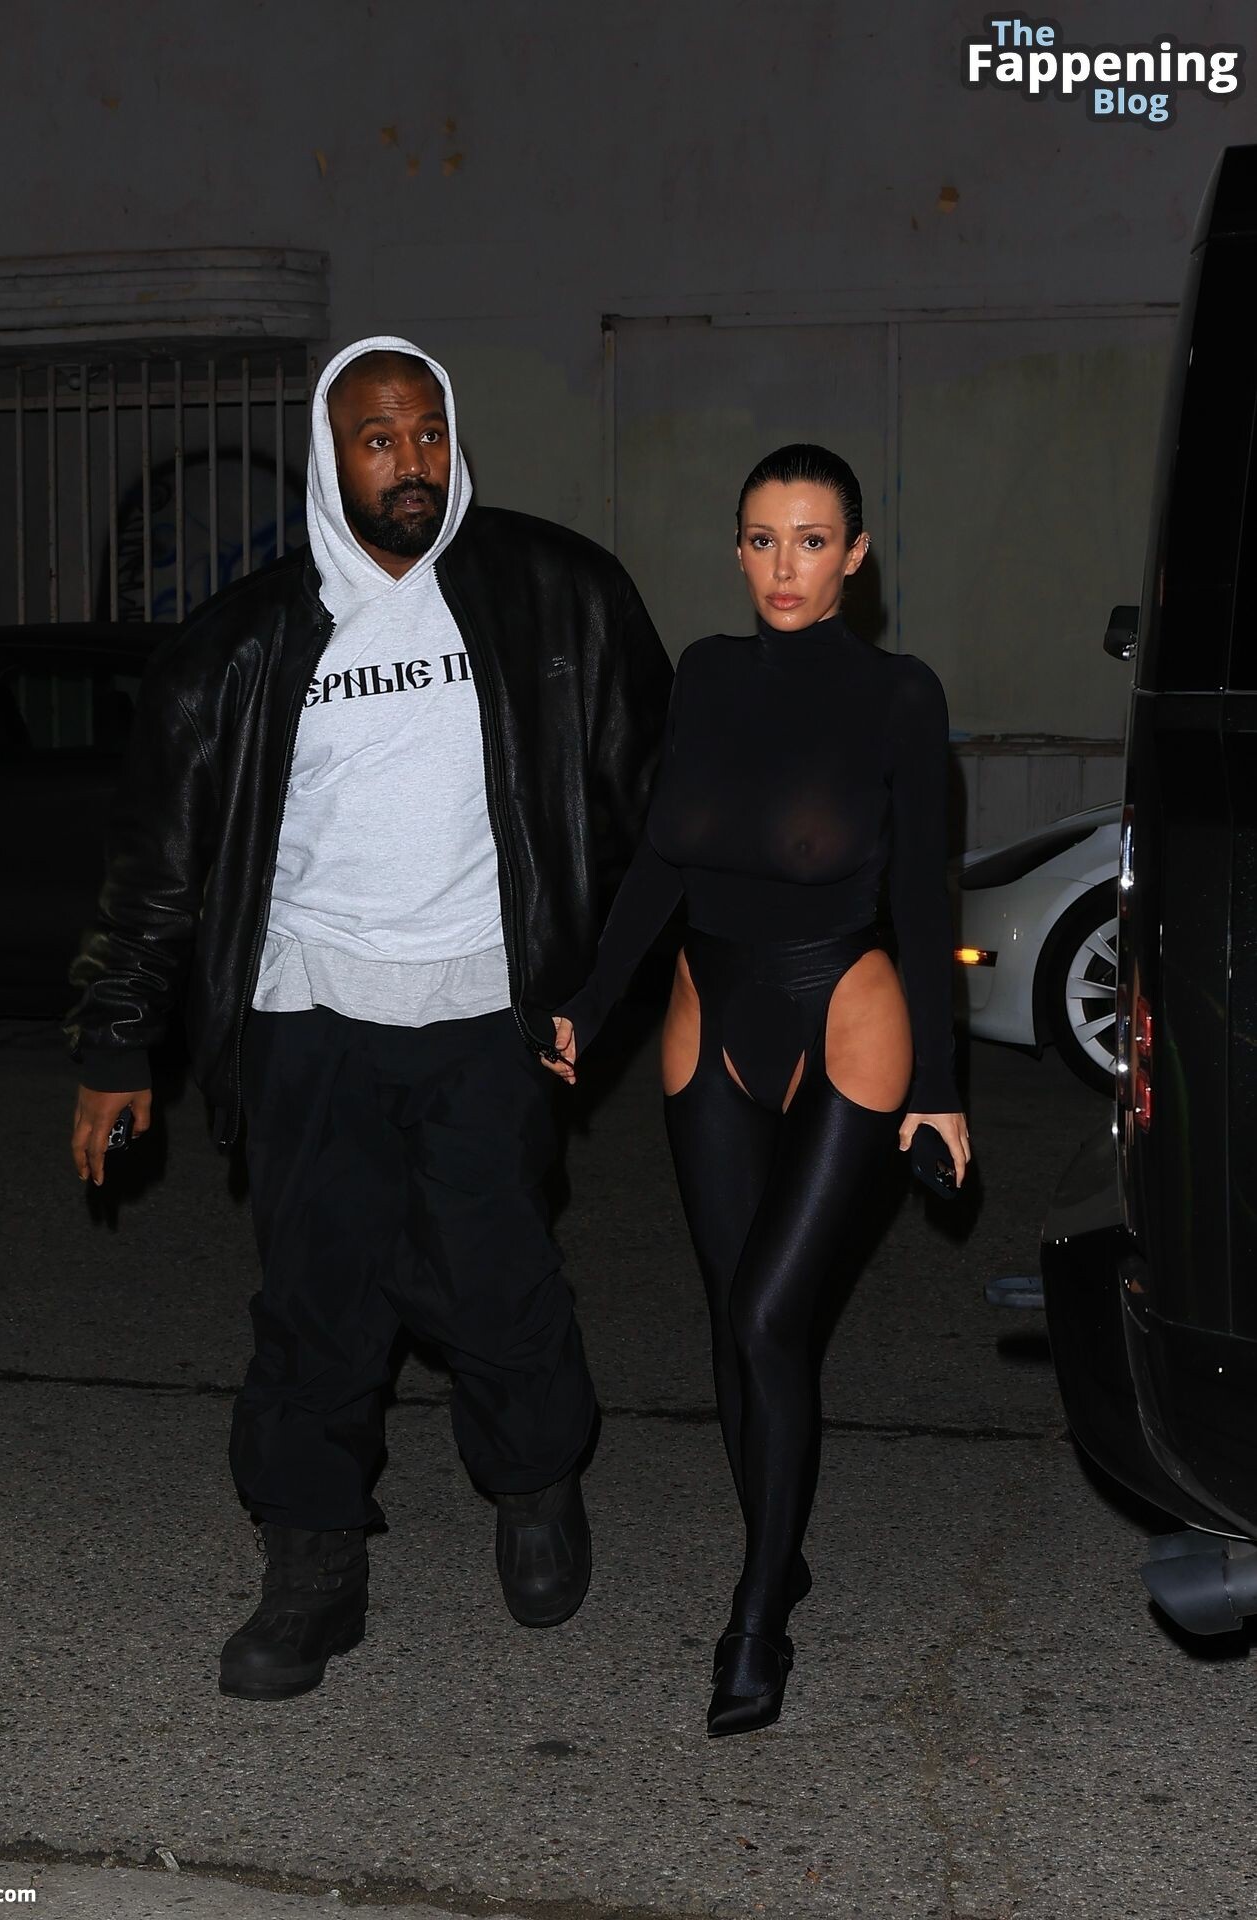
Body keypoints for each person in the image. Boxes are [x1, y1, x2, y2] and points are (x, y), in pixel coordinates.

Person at [65, 336, 672, 1702]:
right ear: (329, 456)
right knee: (317, 1300)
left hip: (487, 1012)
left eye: (427, 434)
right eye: (377, 440)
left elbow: (656, 807)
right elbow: (157, 863)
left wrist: (624, 989)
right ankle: (313, 1566)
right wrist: (116, 1041)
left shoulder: (560, 594)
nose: (409, 465)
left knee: (500, 1279)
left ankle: (536, 1487)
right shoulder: (241, 643)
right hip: (309, 1019)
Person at [546, 443, 970, 1737]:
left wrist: (942, 1089)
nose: (786, 566)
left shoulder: (899, 695)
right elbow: (661, 865)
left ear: (856, 557)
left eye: (812, 540)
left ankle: (755, 1617)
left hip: (845, 1011)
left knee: (774, 1318)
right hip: (708, 1014)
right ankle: (775, 1549)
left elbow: (923, 896)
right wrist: (589, 1002)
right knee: (735, 1318)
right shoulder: (708, 676)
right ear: (738, 551)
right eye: (764, 540)